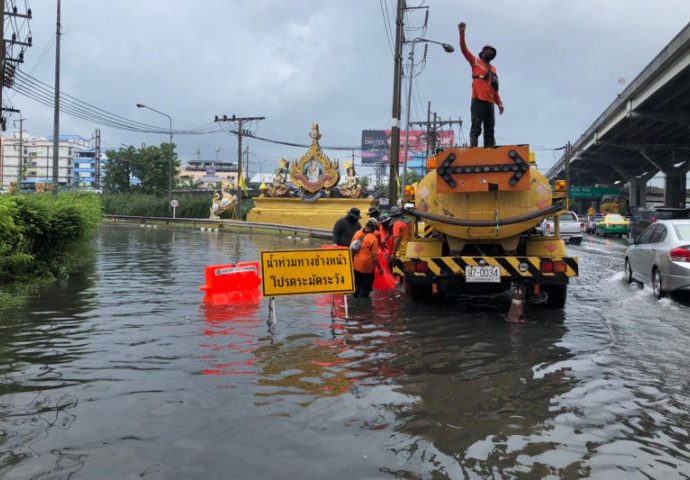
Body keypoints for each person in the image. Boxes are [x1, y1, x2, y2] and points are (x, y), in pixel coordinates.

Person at [458, 21, 504, 148]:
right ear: (482, 53)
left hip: (490, 102)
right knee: (476, 127)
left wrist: (499, 103)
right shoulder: (475, 62)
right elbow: (464, 50)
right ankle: (473, 149)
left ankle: (488, 150)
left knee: (490, 129)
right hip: (478, 99)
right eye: (487, 50)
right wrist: (462, 33)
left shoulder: (493, 69)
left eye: (492, 52)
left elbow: (495, 88)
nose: (489, 52)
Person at [351, 218, 381, 298]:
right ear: (374, 228)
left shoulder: (357, 233)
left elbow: (351, 248)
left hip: (356, 265)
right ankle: (363, 306)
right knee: (366, 289)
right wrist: (379, 267)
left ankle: (355, 304)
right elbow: (375, 256)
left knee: (357, 286)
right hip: (367, 268)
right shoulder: (373, 238)